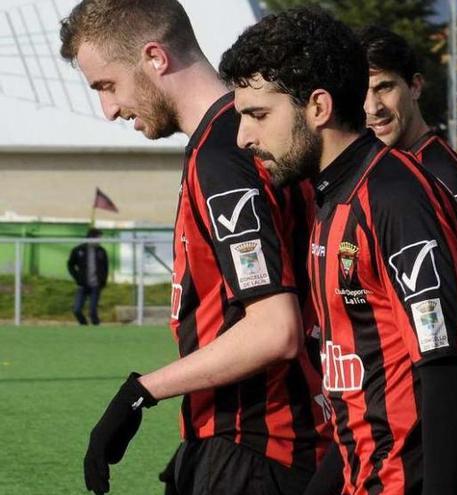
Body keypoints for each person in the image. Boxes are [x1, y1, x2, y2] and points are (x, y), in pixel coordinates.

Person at [219, 7, 457, 495]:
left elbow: (445, 369)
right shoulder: (333, 198)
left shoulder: (396, 197)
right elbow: (362, 405)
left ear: (319, 108)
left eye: (258, 115)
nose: (245, 137)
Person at [59, 1, 328, 493]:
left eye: (107, 86)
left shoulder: (224, 156)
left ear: (155, 57)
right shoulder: (248, 139)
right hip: (253, 438)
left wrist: (141, 392)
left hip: (259, 443)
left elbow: (275, 329)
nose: (109, 109)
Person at [358, 25, 457, 474]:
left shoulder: (444, 174)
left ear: (415, 86)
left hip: (432, 401)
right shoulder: (382, 170)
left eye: (385, 87)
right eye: (363, 92)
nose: (373, 107)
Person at [67, 227, 109, 325]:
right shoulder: (78, 250)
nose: (100, 240)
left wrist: (102, 281)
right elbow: (70, 265)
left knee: (92, 311)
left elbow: (105, 268)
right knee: (77, 310)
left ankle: (96, 329)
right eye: (99, 238)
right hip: (82, 285)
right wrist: (77, 278)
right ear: (92, 238)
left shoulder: (101, 251)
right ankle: (84, 325)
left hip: (95, 285)